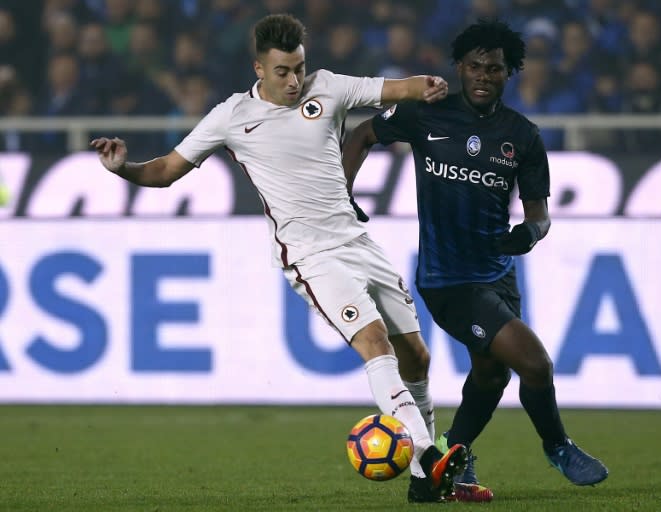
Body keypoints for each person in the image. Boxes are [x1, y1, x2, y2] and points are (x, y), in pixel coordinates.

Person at [90, 13, 466, 503]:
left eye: (299, 69)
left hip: (358, 243)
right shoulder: (231, 116)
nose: (294, 81)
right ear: (259, 68)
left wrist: (429, 86)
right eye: (283, 72)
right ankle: (424, 451)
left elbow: (396, 87)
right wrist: (125, 170)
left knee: (417, 355)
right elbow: (164, 172)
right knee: (375, 341)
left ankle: (424, 477)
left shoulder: (328, 87)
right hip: (310, 254)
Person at [342, 19, 609, 503]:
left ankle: (442, 466)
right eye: (475, 67)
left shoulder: (522, 136)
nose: (484, 75)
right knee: (536, 364)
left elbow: (539, 216)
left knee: (491, 375)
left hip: (498, 275)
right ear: (460, 68)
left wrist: (528, 234)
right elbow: (362, 134)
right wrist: (342, 193)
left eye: (495, 69)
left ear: (509, 74)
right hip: (448, 281)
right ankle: (558, 446)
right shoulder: (427, 114)